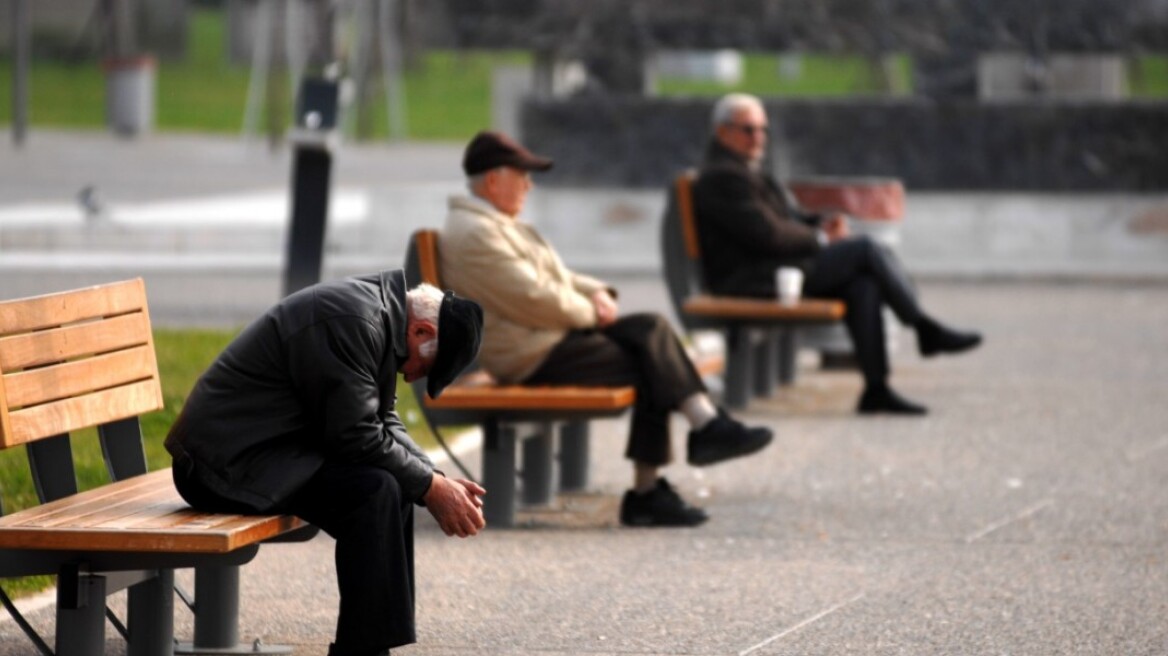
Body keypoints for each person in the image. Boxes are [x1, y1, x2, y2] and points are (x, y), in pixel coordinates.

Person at [438, 130, 774, 528]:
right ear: (493, 180)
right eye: (522, 175)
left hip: (547, 339)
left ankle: (698, 435)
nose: (529, 184)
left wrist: (598, 292)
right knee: (652, 360)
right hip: (529, 355)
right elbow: (533, 296)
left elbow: (559, 278)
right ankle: (662, 476)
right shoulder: (476, 233)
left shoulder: (492, 224)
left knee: (651, 331)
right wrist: (592, 314)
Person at [165, 270, 485, 656]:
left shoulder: (378, 316)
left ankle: (370, 648)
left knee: (393, 484)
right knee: (375, 490)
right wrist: (431, 487)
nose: (411, 374)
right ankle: (364, 651)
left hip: (270, 454)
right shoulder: (353, 322)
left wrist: (433, 479)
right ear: (420, 331)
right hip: (219, 465)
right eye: (425, 367)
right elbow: (356, 436)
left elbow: (380, 419)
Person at [693, 93, 982, 415]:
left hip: (775, 269)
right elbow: (766, 234)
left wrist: (820, 222)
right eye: (748, 129)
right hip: (752, 279)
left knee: (864, 285)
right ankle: (924, 327)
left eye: (762, 130)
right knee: (866, 250)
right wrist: (819, 238)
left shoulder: (743, 170)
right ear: (722, 132)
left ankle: (877, 389)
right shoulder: (723, 176)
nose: (758, 137)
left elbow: (785, 218)